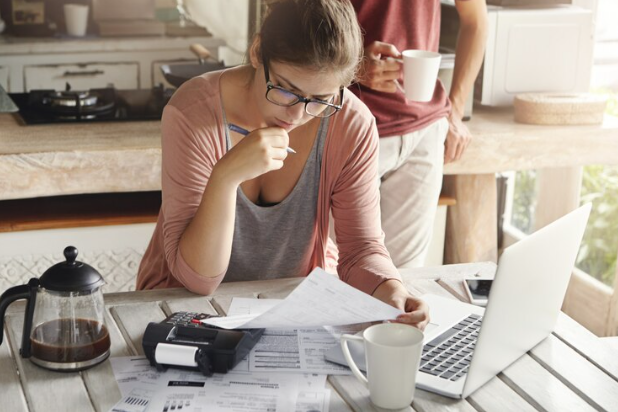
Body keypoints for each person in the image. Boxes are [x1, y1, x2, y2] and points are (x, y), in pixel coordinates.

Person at [137, 0, 429, 330]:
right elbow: (197, 279)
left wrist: (392, 292)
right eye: (286, 90)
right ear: (258, 51)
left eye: (320, 100)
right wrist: (225, 177)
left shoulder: (351, 124)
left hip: (292, 309)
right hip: (180, 307)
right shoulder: (192, 112)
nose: (296, 115)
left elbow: (361, 249)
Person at [349, 0, 487, 268]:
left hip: (424, 133)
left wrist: (455, 111)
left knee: (405, 286)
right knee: (340, 275)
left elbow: (476, 20)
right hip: (348, 128)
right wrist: (351, 63)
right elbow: (294, 22)